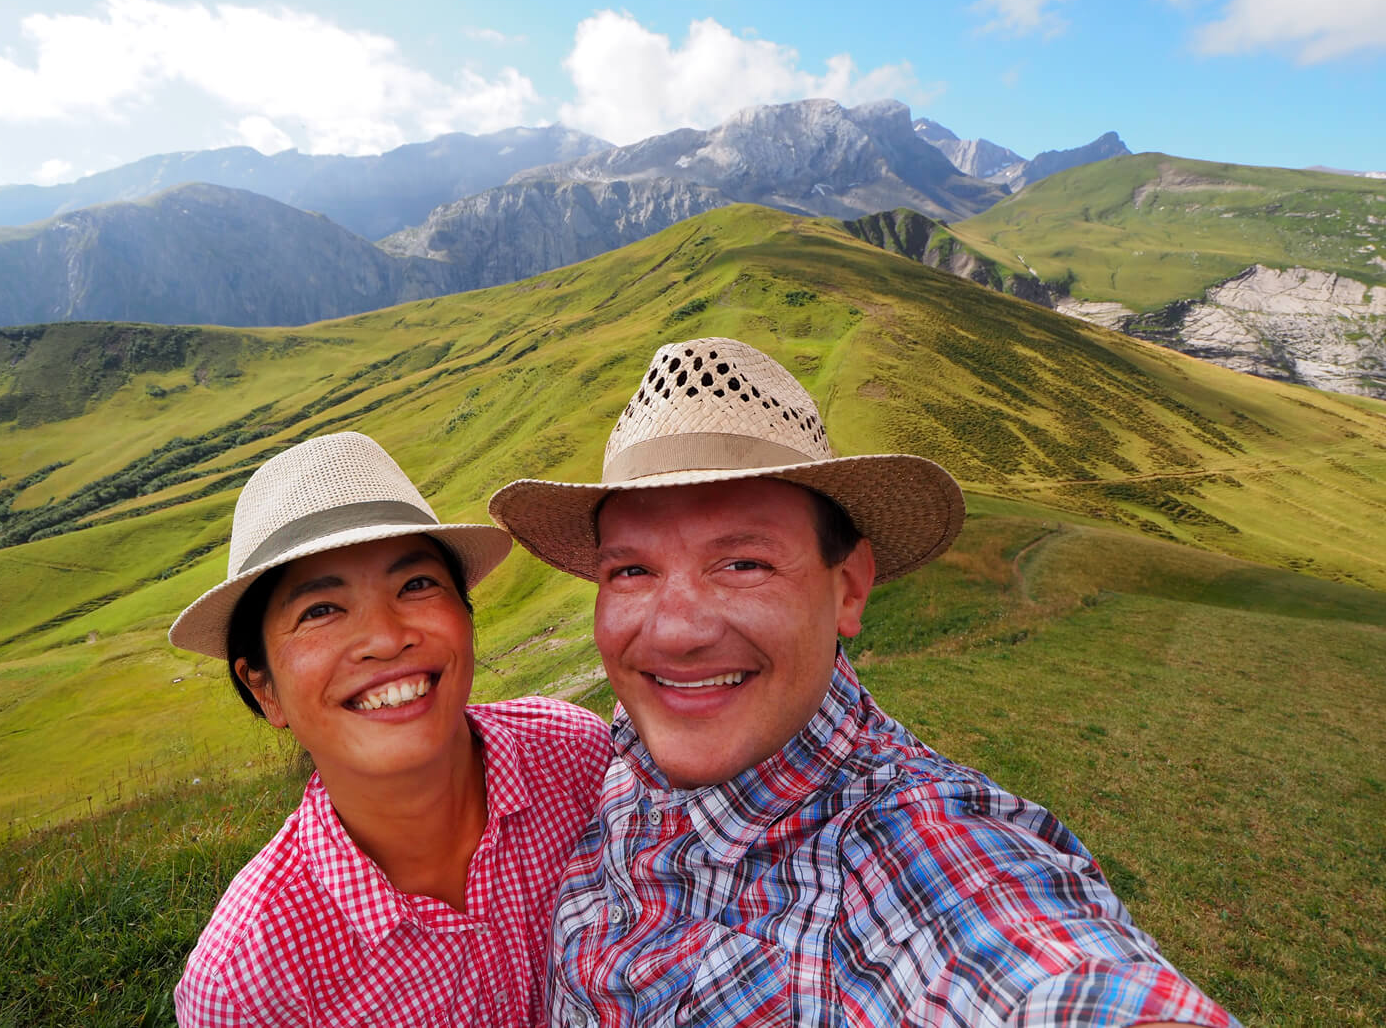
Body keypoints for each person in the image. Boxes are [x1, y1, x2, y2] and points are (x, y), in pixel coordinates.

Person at [488, 337, 1239, 1028]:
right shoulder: (612, 750)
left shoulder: (907, 860)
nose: (675, 630)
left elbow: (1035, 967)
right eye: (631, 569)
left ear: (848, 587)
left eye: (743, 561)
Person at [168, 431, 612, 1027]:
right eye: (320, 610)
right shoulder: (249, 980)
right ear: (263, 688)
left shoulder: (575, 755)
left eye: (416, 585)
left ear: (466, 615)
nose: (385, 637)